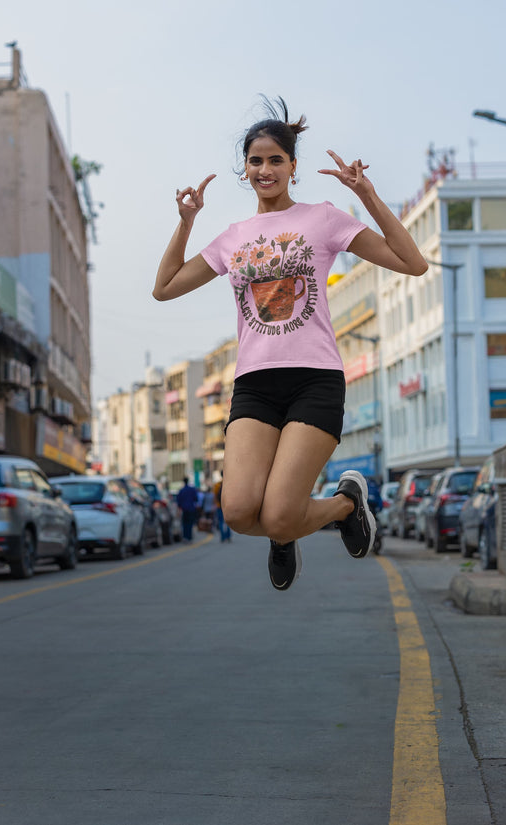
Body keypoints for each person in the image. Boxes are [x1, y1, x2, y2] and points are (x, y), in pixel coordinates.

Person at [153, 96, 427, 590]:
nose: (265, 169)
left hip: (314, 381)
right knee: (237, 511)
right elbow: (165, 287)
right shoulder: (232, 237)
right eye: (255, 161)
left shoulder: (323, 219)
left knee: (279, 516)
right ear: (245, 169)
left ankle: (344, 505)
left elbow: (412, 263)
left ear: (293, 167)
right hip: (254, 385)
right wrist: (187, 220)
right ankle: (306, 522)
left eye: (275, 160)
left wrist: (366, 194)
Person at [176, 476, 198, 542]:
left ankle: (185, 537)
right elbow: (196, 498)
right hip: (191, 509)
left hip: (184, 509)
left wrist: (180, 508)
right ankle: (189, 537)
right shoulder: (192, 489)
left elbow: (178, 500)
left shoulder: (181, 490)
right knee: (190, 523)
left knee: (185, 523)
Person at [214, 471, 231, 543]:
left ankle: (223, 537)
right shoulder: (229, 483)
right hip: (227, 506)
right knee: (228, 522)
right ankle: (228, 536)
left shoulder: (217, 485)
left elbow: (214, 496)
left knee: (221, 522)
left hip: (219, 506)